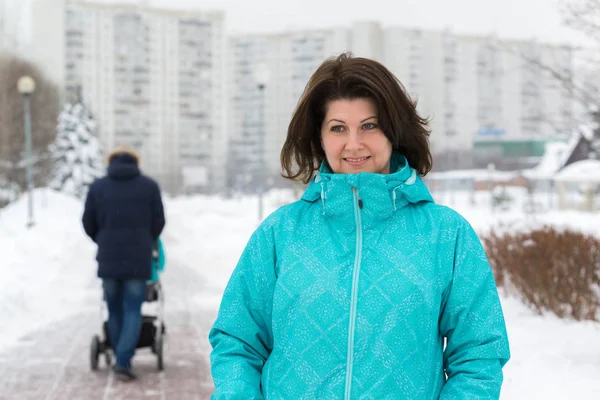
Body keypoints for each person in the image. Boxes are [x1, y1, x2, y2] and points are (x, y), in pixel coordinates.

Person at [209, 53, 510, 399]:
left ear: (393, 131)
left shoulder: (445, 235)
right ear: (319, 137)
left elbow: (479, 354)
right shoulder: (281, 234)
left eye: (369, 125)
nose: (354, 144)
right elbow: (237, 341)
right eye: (338, 128)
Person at [82, 147, 165, 381]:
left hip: (108, 260)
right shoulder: (149, 186)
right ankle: (123, 361)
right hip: (138, 261)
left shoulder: (98, 187)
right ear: (136, 163)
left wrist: (103, 239)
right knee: (132, 309)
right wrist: (145, 240)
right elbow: (158, 222)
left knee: (114, 309)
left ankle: (119, 355)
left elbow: (88, 221)